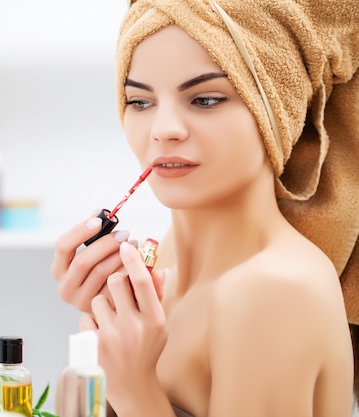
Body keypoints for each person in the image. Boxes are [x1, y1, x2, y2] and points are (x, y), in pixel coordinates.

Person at [51, 0, 359, 416]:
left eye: (207, 100)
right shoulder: (165, 262)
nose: (164, 130)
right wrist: (100, 322)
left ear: (278, 112)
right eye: (140, 102)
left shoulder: (274, 291)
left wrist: (134, 389)